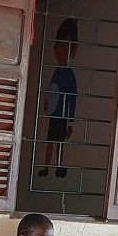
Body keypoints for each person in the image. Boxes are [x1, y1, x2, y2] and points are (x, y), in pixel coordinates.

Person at [38, 19, 78, 179]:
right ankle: (46, 166)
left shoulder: (69, 75)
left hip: (62, 116)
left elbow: (72, 99)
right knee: (50, 141)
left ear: (73, 51)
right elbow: (52, 90)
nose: (62, 50)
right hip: (54, 115)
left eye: (67, 46)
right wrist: (47, 103)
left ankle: (59, 166)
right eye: (60, 45)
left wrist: (70, 123)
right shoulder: (57, 72)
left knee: (60, 142)